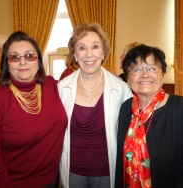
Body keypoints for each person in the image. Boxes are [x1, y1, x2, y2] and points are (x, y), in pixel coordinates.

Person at [0, 31, 67, 187]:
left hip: (54, 179)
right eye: (15, 57)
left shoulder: (53, 85)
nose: (22, 62)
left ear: (39, 61)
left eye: (29, 55)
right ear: (7, 63)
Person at [57, 22, 133, 188]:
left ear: (103, 52)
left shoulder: (121, 88)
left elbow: (132, 133)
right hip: (72, 171)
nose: (88, 54)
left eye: (95, 46)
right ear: (75, 55)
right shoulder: (62, 88)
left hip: (108, 171)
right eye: (82, 48)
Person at [115, 44, 183, 187]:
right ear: (127, 77)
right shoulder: (125, 108)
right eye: (137, 69)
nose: (145, 74)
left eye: (152, 68)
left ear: (162, 73)